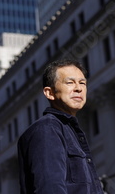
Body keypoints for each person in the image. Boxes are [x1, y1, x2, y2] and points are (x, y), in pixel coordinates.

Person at [17, 58, 104, 194]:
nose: (78, 88)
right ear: (49, 93)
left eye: (82, 83)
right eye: (70, 82)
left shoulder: (72, 132)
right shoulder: (47, 129)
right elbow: (49, 188)